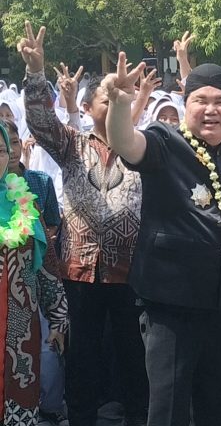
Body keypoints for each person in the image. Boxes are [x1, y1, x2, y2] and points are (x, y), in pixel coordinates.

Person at [103, 52, 221, 425]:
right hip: (171, 302)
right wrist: (120, 104)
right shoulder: (164, 141)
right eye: (201, 100)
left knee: (214, 403)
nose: (211, 109)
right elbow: (125, 143)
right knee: (168, 407)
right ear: (187, 105)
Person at [20, 22, 148, 426]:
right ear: (89, 108)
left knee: (136, 366)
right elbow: (40, 124)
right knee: (82, 364)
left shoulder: (147, 150)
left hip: (133, 277)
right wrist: (37, 74)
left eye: (119, 98)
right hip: (80, 275)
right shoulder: (72, 145)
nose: (112, 105)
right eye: (105, 99)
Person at [0, 120, 68, 426]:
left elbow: (48, 267)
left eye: (2, 150)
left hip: (20, 328)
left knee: (18, 402)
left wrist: (58, 318)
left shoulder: (22, 202)